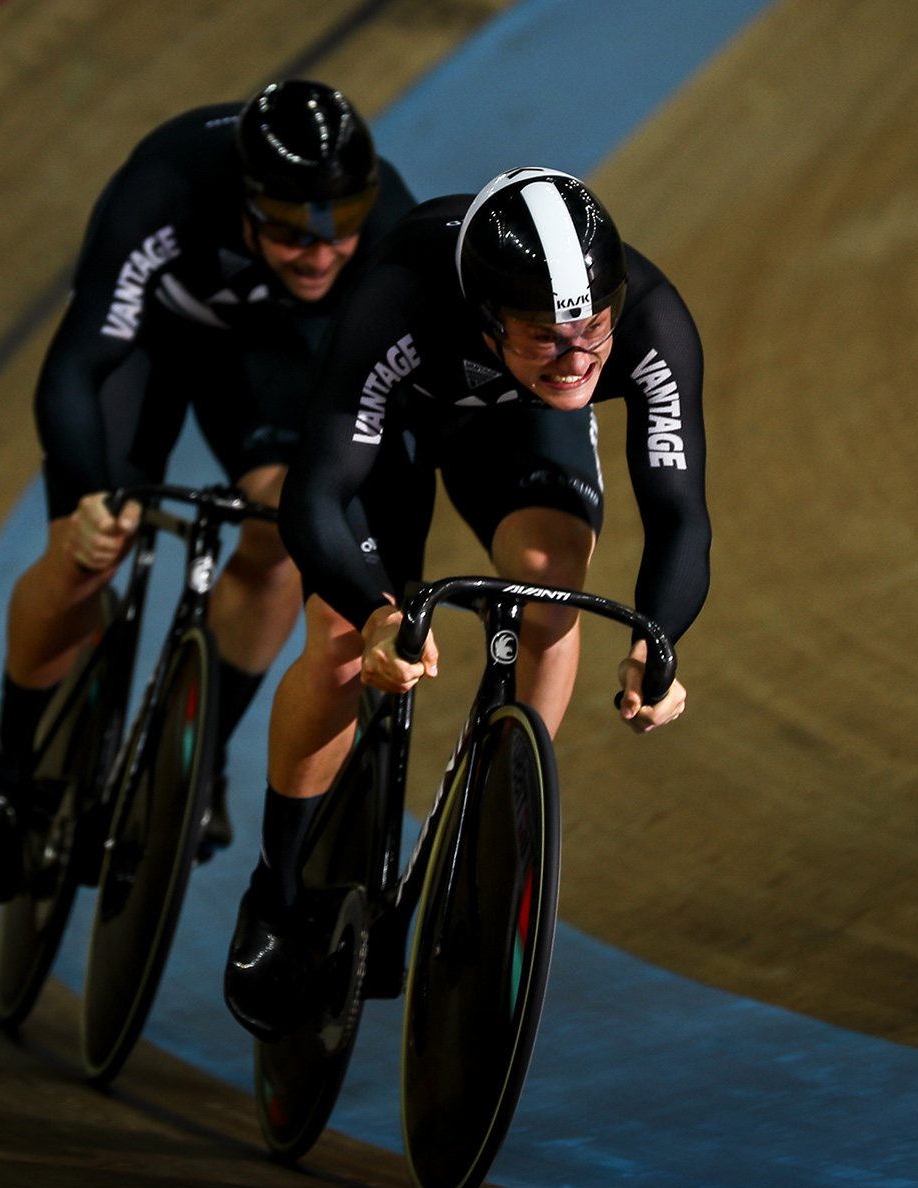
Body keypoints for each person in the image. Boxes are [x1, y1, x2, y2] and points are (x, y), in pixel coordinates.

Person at [224, 167, 712, 1038]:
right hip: (396, 429)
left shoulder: (650, 322)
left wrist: (660, 641)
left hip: (515, 425)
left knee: (550, 585)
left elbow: (680, 515)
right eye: (544, 338)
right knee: (340, 640)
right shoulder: (402, 297)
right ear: (488, 320)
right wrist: (375, 610)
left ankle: (498, 825)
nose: (578, 361)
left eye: (592, 332)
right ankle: (277, 888)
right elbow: (316, 497)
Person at [0, 81, 414, 903]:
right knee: (89, 552)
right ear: (242, 201)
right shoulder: (165, 188)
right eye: (289, 232)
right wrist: (90, 497)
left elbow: (383, 415)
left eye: (338, 230)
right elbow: (75, 366)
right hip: (150, 345)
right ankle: (9, 770)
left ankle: (200, 766)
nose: (317, 253)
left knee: (278, 530)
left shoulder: (384, 227)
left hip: (271, 354)